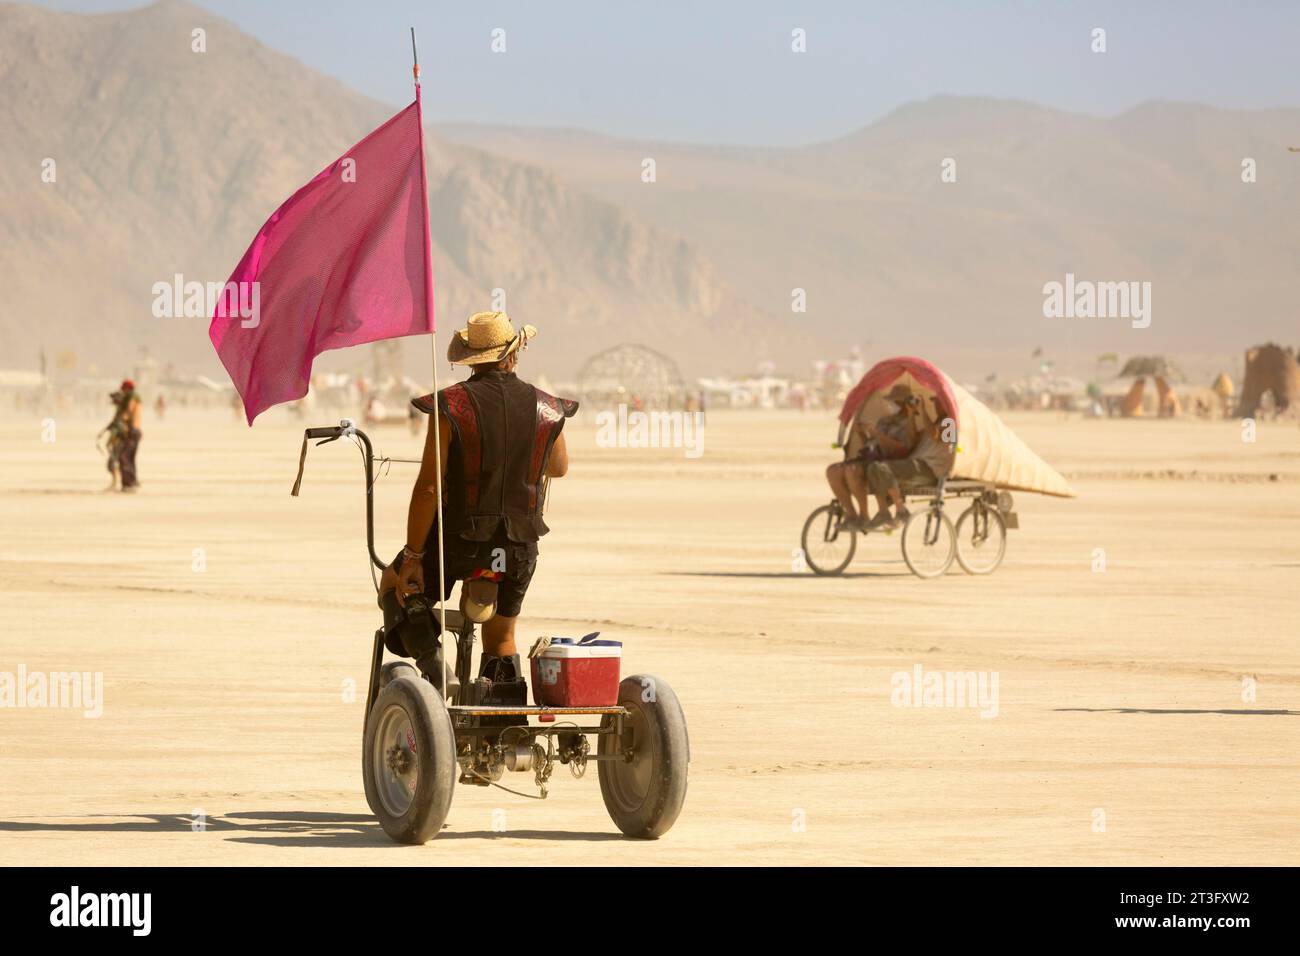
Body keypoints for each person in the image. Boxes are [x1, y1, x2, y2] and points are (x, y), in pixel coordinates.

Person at [391, 311, 576, 697]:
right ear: (513, 354)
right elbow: (558, 468)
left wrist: (412, 555)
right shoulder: (548, 406)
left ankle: (435, 668)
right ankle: (501, 728)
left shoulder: (451, 405)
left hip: (458, 543)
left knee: (394, 585)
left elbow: (428, 488)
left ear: (471, 359)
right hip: (518, 547)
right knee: (502, 636)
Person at [825, 384, 916, 531]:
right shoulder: (885, 421)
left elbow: (904, 447)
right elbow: (871, 445)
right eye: (894, 401)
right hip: (872, 456)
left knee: (852, 470)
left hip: (889, 460)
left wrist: (879, 435)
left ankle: (864, 515)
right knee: (832, 471)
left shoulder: (912, 422)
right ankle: (852, 514)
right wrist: (862, 433)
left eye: (898, 401)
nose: (895, 404)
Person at [863, 390, 955, 530]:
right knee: (873, 468)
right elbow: (913, 439)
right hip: (918, 464)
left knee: (881, 468)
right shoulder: (936, 423)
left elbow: (936, 436)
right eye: (935, 403)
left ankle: (901, 510)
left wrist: (923, 411)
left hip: (931, 469)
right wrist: (912, 414)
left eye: (938, 403)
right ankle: (884, 512)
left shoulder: (950, 422)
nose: (936, 406)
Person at [117, 380, 143, 492]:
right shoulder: (137, 398)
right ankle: (133, 481)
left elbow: (128, 412)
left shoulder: (132, 398)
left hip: (131, 430)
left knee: (124, 457)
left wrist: (120, 418)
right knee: (130, 457)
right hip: (136, 430)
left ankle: (128, 484)